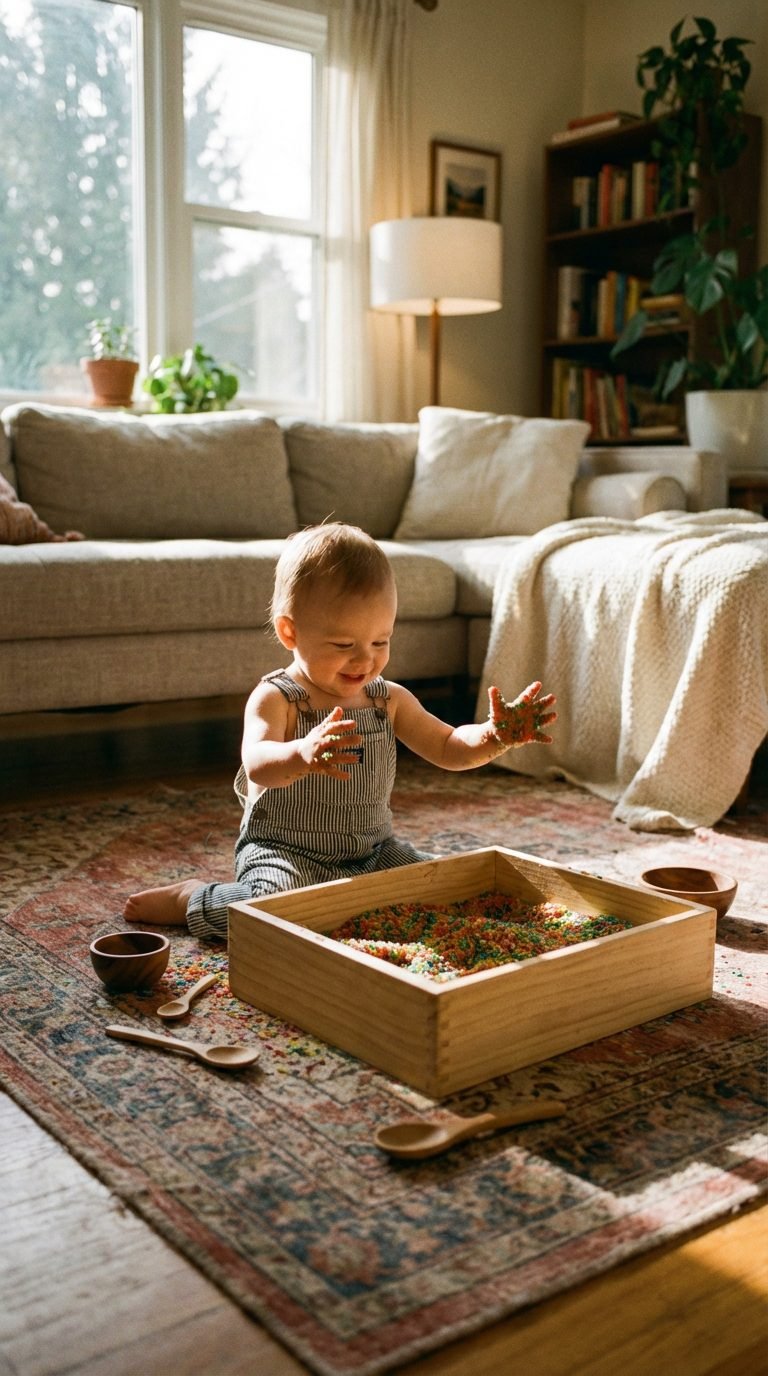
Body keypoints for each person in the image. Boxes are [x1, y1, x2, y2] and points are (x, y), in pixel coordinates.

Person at [124, 522, 556, 940]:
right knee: (276, 913)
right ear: (289, 631)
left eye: (380, 642)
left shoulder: (388, 700)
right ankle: (195, 898)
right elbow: (256, 765)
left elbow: (448, 747)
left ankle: (350, 898)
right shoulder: (277, 698)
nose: (364, 661)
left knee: (439, 886)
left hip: (373, 851)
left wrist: (494, 736)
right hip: (286, 854)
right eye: (344, 645)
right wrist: (303, 754)